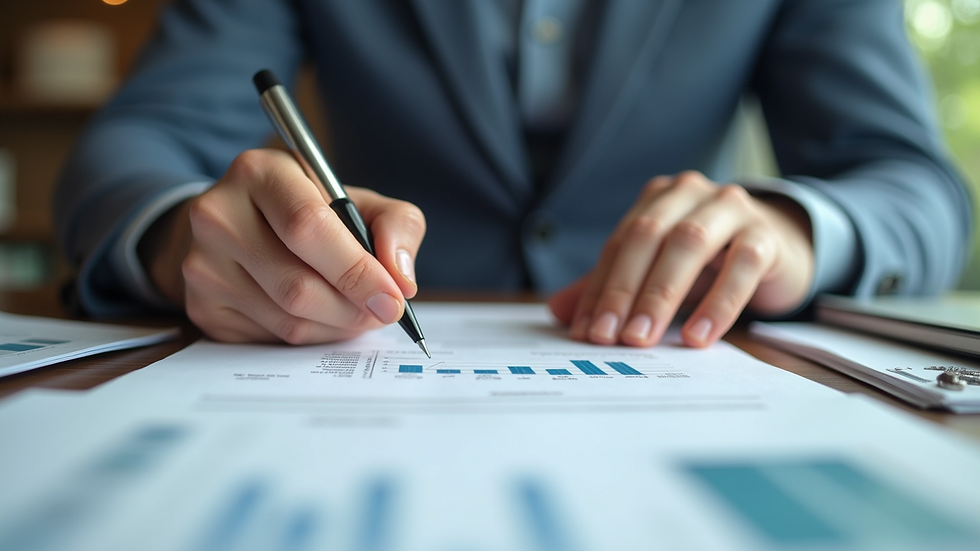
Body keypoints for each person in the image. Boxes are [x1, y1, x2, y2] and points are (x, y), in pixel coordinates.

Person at [54, 0, 972, 349]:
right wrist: (178, 234)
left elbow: (912, 182)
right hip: (347, 346)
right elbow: (141, 138)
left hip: (675, 352)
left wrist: (794, 230)